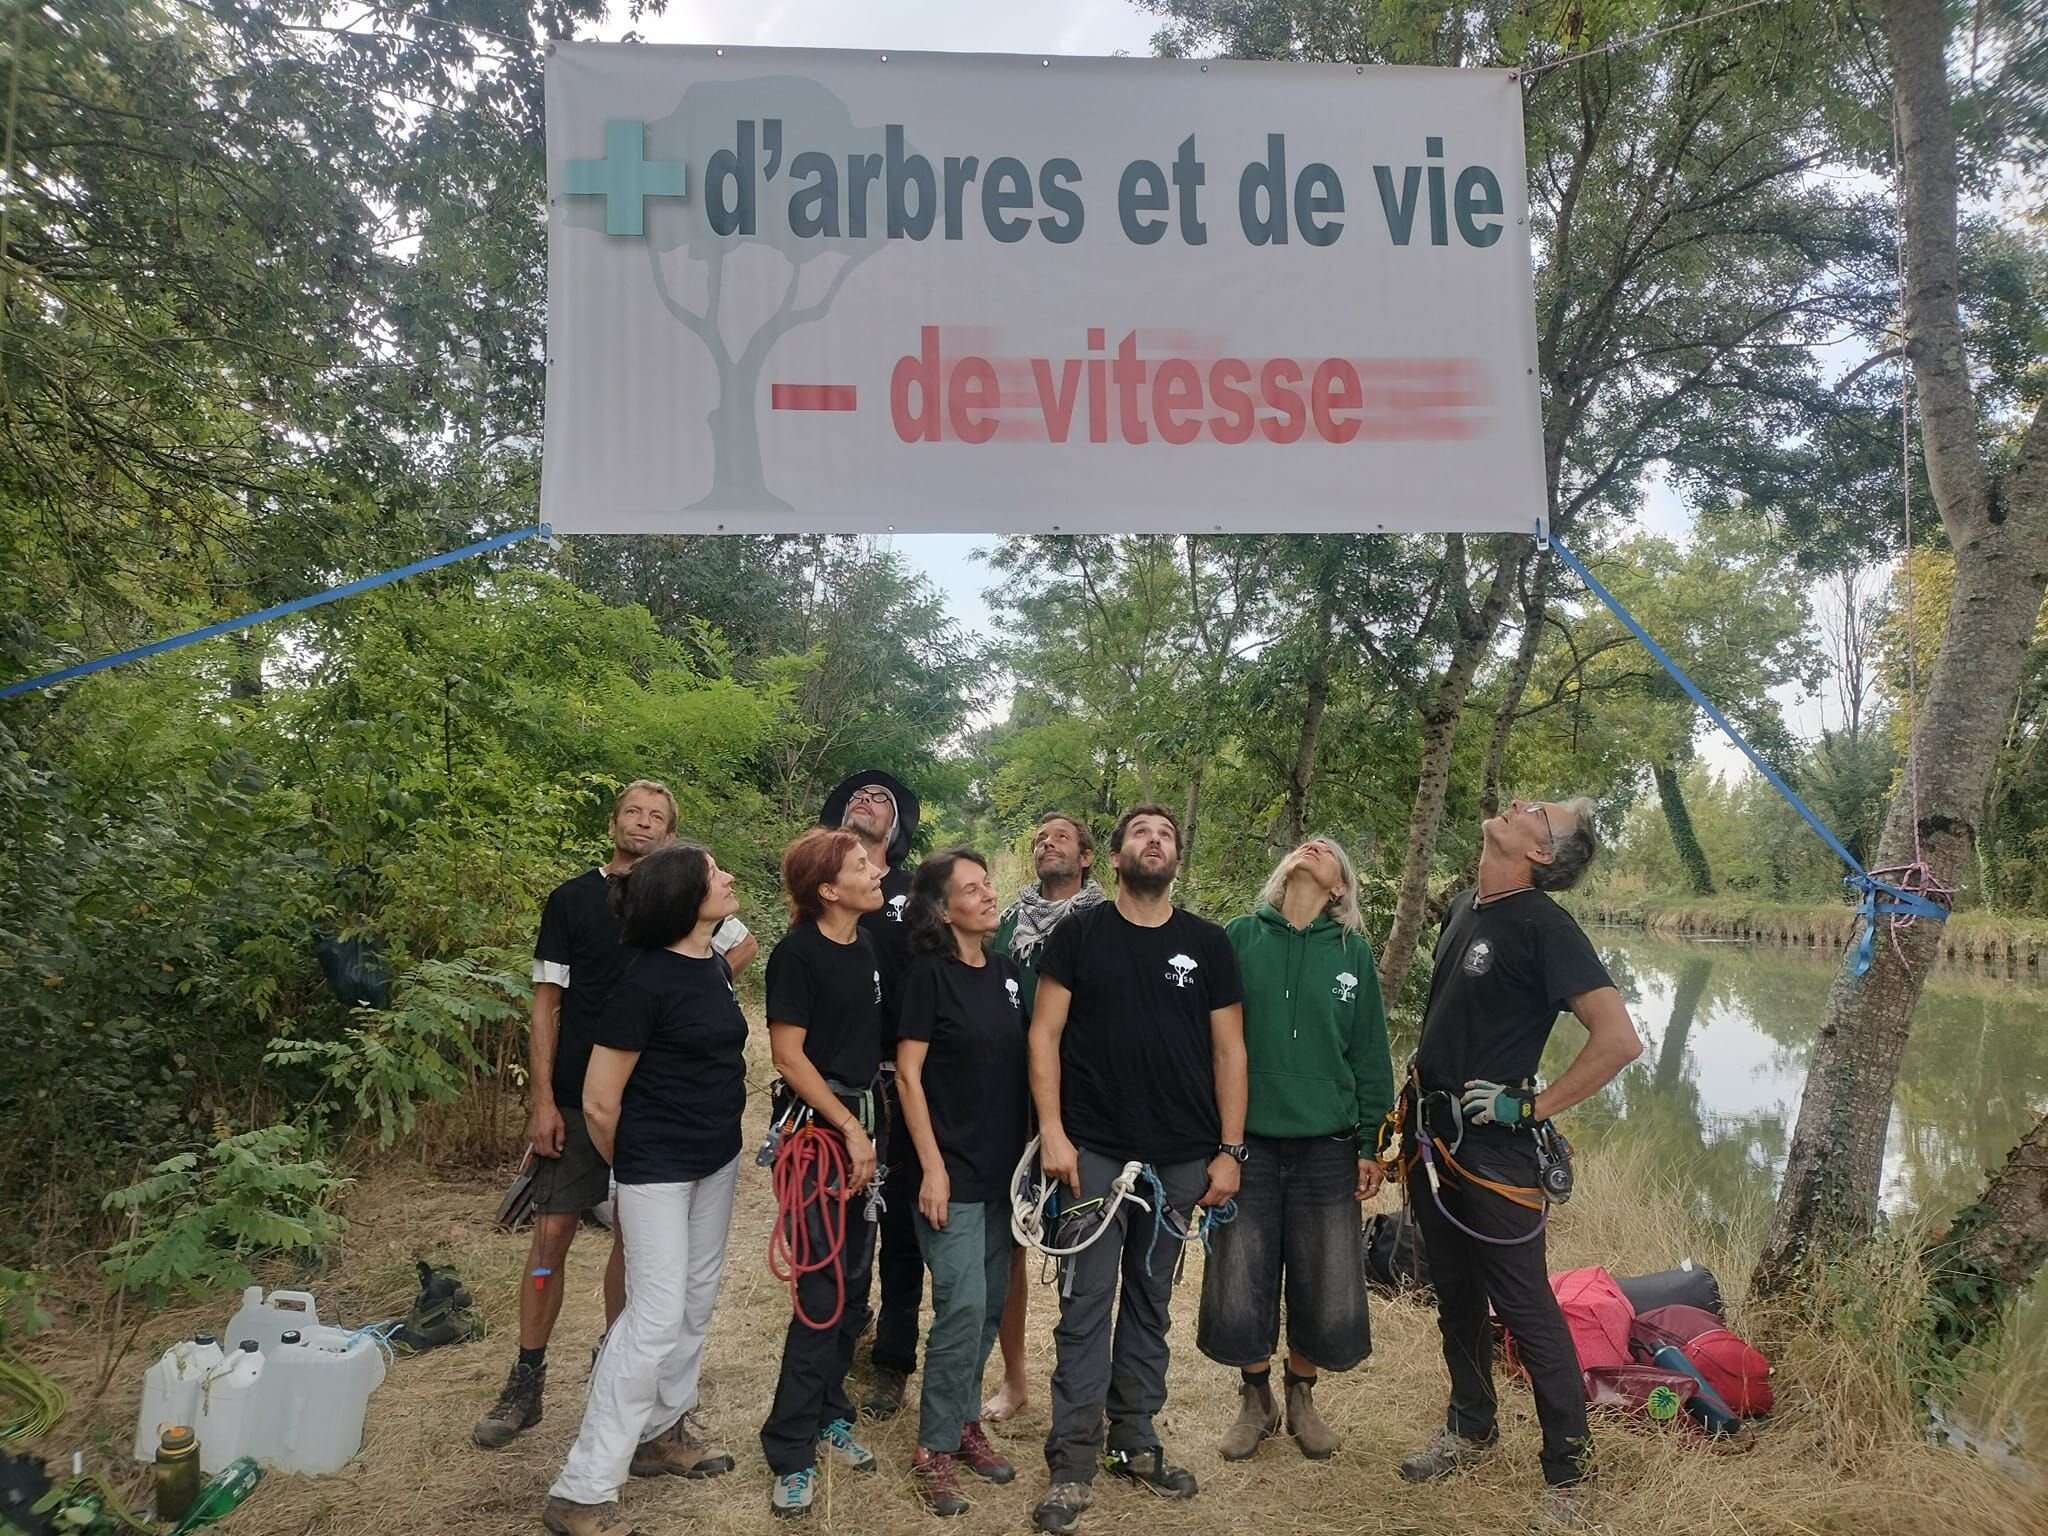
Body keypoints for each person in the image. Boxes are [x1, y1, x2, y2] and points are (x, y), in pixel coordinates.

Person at [476, 781, 755, 1452]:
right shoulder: (574, 900)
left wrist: (701, 988)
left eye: (658, 817)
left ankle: (619, 1371)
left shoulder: (679, 908)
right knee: (551, 1237)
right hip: (580, 1097)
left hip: (651, 1101)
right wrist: (544, 1102)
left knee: (641, 1253)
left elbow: (737, 946)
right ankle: (528, 1374)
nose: (643, 822)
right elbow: (545, 1004)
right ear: (613, 821)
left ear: (671, 836)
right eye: (633, 811)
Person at [1398, 797, 1642, 1525]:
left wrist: (1532, 1106)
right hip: (1431, 1139)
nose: (1516, 804)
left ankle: (1569, 1475)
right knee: (1456, 1296)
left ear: (1541, 853)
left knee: (1528, 1308)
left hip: (1496, 1155)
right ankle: (1472, 1426)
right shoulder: (1467, 907)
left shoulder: (1544, 926)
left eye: (1538, 811)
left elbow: (1619, 1039)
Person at [1026, 804, 1248, 1536]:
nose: (1156, 842)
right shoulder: (1078, 933)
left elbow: (1229, 1053)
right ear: (1114, 857)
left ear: (1176, 857)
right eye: (1142, 834)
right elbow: (1045, 1034)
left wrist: (1230, 1149)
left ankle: (1136, 1441)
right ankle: (1073, 1459)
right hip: (1091, 1152)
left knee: (1152, 1304)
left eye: (1168, 835)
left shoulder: (1208, 944)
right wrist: (1053, 1133)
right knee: (1087, 1305)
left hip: (1181, 1161)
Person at [541, 845, 748, 1536]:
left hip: (714, 1163)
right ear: (684, 897)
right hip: (656, 1169)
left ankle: (662, 1433)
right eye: (715, 873)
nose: (727, 879)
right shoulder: (643, 980)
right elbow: (600, 1103)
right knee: (652, 1318)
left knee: (694, 1302)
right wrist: (635, 1170)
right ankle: (584, 1488)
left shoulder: (714, 963)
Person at [1199, 836, 1394, 1462]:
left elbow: (1369, 1054)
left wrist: (1372, 1143)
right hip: (1246, 1143)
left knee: (1326, 1280)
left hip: (1327, 1147)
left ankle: (1302, 1394)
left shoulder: (1352, 953)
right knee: (1240, 1276)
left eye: (1329, 851)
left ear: (1339, 887)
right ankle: (1255, 1399)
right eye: (1305, 844)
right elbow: (1210, 1040)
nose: (1312, 847)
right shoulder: (1239, 937)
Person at [893, 848, 1031, 1515]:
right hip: (949, 1170)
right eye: (971, 889)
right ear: (944, 910)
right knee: (963, 1306)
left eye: (987, 885)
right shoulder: (929, 976)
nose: (987, 895)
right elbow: (909, 1076)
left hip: (1005, 1174)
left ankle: (965, 1420)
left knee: (990, 1302)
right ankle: (935, 1448)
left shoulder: (1006, 975)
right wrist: (933, 1168)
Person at [759, 827, 888, 1519]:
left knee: (855, 1283)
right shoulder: (797, 954)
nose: (875, 871)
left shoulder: (863, 946)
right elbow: (788, 1056)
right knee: (822, 1290)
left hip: (866, 1130)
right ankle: (788, 1447)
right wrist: (846, 1127)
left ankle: (830, 1412)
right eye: (860, 866)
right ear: (829, 890)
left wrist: (868, 1132)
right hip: (823, 1138)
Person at [983, 811, 1106, 1424]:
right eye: (1039, 838)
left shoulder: (1109, 924)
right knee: (1010, 1245)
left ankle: (1083, 1385)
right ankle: (1013, 1380)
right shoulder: (1005, 924)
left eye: (1060, 836)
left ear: (1087, 857)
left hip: (1083, 1103)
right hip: (1008, 1104)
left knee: (1085, 1244)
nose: (1046, 843)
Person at [817, 769, 924, 1418]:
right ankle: (835, 1350)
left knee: (906, 1231)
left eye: (884, 799)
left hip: (907, 1081)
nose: (869, 799)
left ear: (899, 827)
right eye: (859, 795)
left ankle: (892, 1361)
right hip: (840, 1086)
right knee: (844, 1228)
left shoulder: (919, 892)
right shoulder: (821, 889)